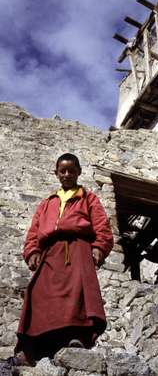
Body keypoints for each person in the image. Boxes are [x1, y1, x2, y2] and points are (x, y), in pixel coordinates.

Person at [13, 153, 113, 365]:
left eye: (71, 170)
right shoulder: (47, 203)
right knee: (37, 293)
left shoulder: (88, 198)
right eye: (63, 170)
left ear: (79, 172)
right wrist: (32, 251)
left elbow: (102, 226)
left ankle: (76, 337)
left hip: (78, 249)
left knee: (76, 293)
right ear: (56, 173)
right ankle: (32, 349)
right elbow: (34, 231)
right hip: (50, 252)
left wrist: (99, 248)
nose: (67, 174)